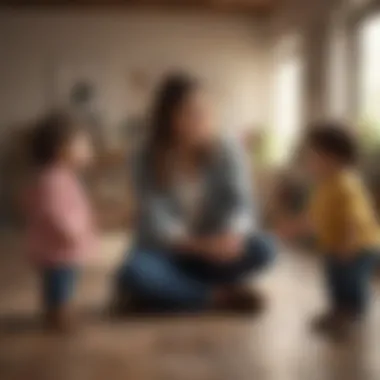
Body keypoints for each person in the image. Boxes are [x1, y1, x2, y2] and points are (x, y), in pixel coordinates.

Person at [113, 73, 276, 313]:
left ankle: (171, 294)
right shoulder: (144, 156)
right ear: (169, 117)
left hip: (215, 251)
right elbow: (154, 218)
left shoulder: (228, 149)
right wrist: (199, 246)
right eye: (191, 111)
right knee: (135, 272)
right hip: (165, 252)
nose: (202, 118)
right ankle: (218, 296)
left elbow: (240, 203)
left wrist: (231, 236)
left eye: (205, 110)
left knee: (264, 247)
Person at [278, 122, 379, 339]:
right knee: (334, 278)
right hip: (335, 246)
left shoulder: (346, 184)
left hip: (359, 246)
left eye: (312, 156)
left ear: (333, 158)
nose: (308, 162)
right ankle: (338, 311)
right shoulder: (323, 186)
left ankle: (353, 313)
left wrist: (349, 245)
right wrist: (292, 228)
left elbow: (354, 218)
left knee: (351, 280)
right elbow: (314, 217)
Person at [23, 112, 96, 332]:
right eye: (83, 145)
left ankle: (57, 310)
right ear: (61, 149)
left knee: (63, 280)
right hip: (58, 246)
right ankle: (59, 313)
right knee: (60, 281)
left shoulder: (64, 176)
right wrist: (71, 232)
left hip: (61, 245)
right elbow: (54, 212)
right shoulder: (53, 179)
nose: (89, 151)